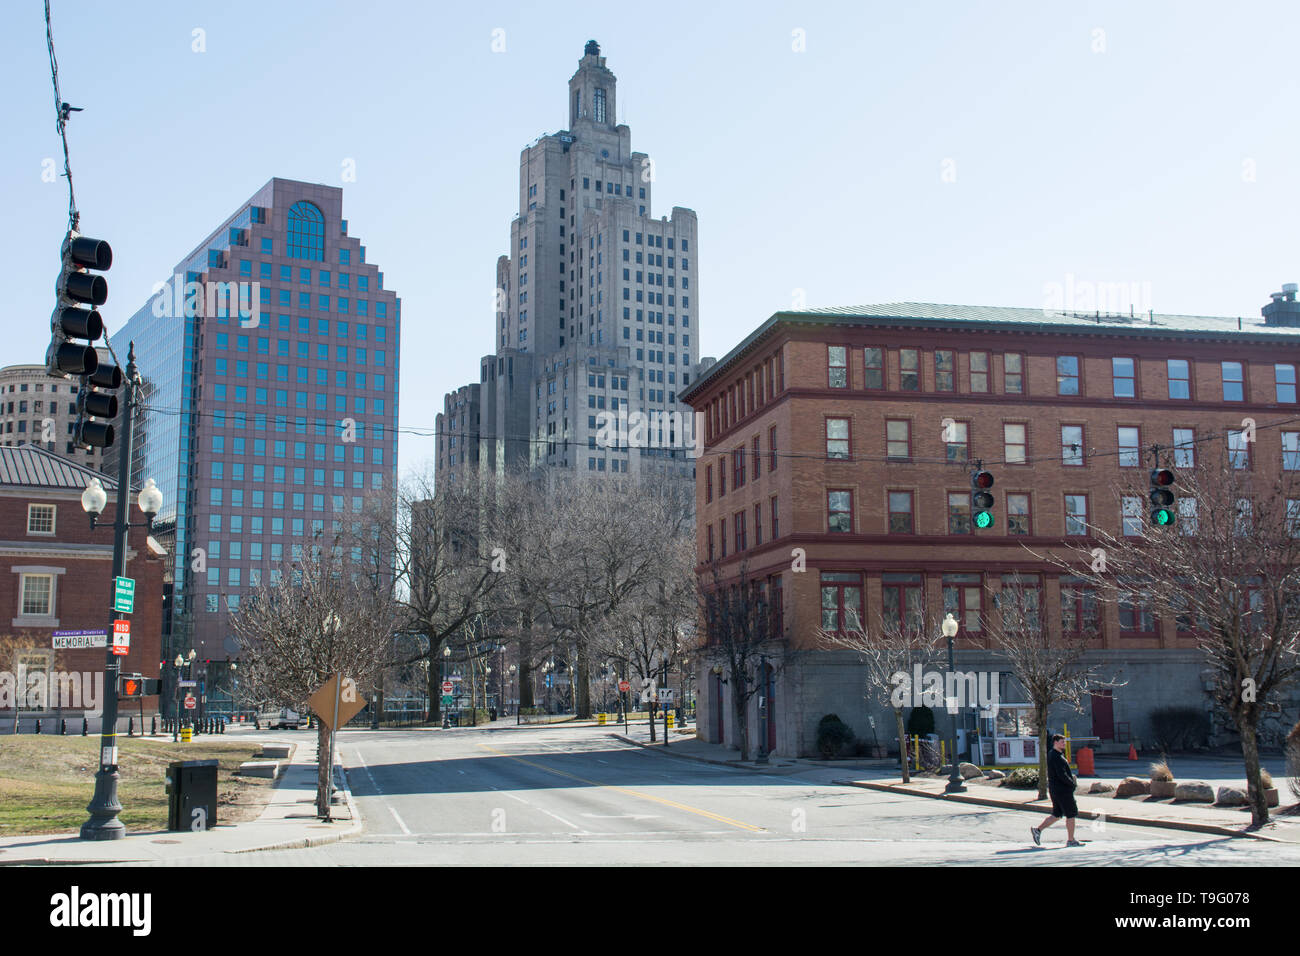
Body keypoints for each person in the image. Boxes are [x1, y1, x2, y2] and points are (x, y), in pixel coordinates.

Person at [1030, 734, 1082, 847]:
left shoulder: (1053, 754)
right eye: (1062, 742)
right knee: (1071, 814)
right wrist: (1071, 784)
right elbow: (1061, 774)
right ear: (1055, 742)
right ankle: (1071, 840)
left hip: (1055, 789)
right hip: (1062, 790)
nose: (1064, 744)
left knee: (1057, 814)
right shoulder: (1056, 756)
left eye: (1064, 742)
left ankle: (1037, 830)